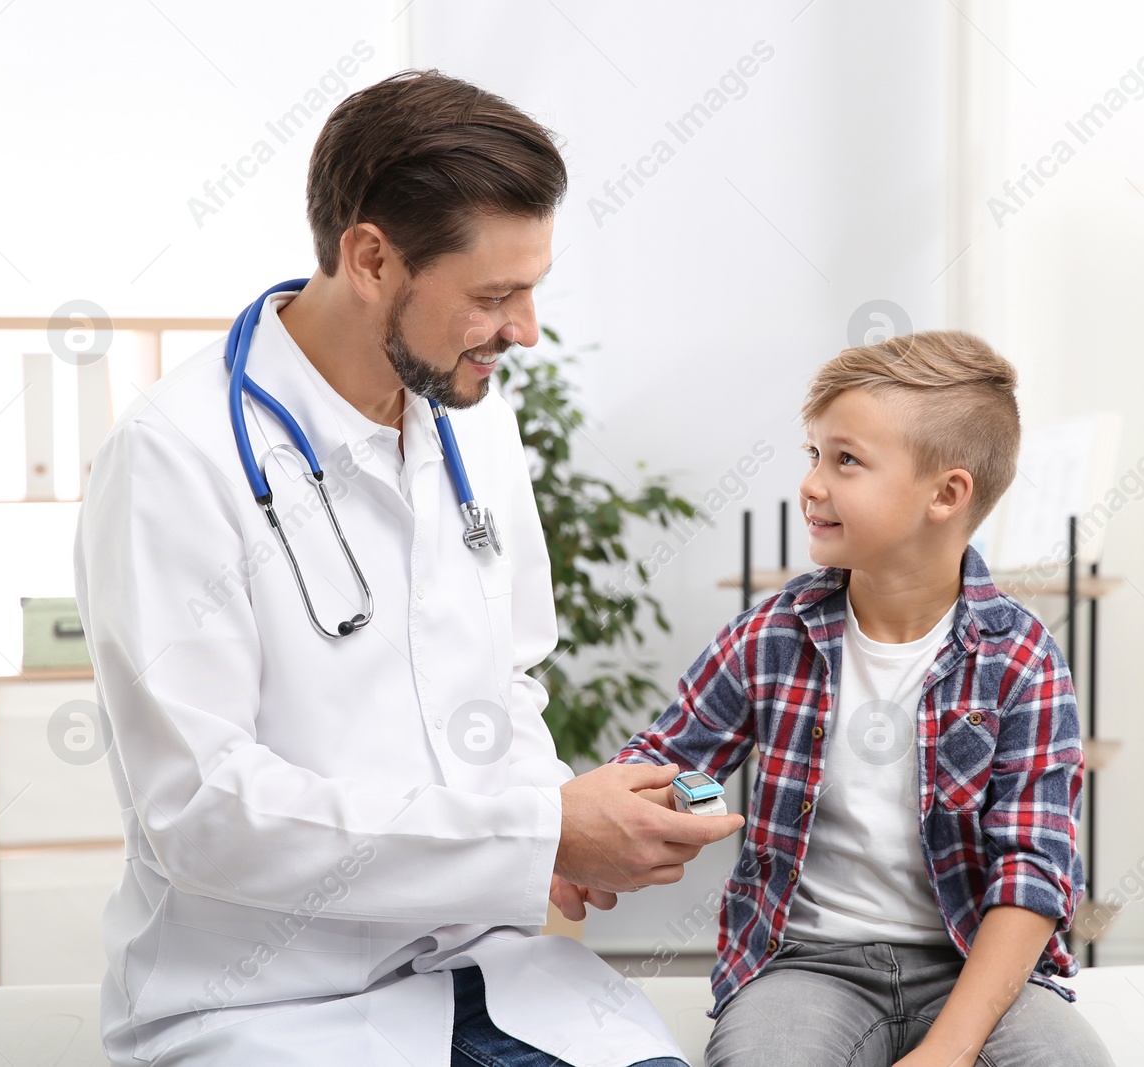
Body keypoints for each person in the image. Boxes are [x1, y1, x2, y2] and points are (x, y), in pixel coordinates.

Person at [73, 69, 740, 1067]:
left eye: (530, 289)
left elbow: (507, 681)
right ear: (372, 256)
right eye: (492, 295)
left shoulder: (478, 418)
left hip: (494, 967)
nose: (523, 330)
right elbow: (205, 811)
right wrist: (534, 836)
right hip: (267, 1003)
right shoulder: (177, 454)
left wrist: (563, 838)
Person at [579, 331, 1115, 1065]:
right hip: (807, 961)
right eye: (814, 455)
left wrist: (950, 1048)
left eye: (846, 460)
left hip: (968, 959)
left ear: (947, 494)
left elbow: (1034, 871)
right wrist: (577, 839)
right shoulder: (772, 633)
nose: (811, 483)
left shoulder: (1021, 660)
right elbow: (664, 756)